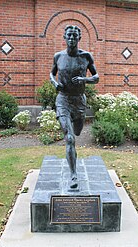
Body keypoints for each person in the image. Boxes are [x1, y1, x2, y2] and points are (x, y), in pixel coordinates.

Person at [50, 25, 99, 189]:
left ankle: (78, 122)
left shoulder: (86, 56)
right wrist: (54, 83)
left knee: (77, 131)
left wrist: (84, 80)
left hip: (79, 101)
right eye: (68, 36)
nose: (71, 39)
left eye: (74, 36)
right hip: (63, 100)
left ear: (79, 38)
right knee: (70, 139)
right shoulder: (58, 56)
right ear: (64, 37)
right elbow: (52, 73)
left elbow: (96, 77)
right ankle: (73, 175)